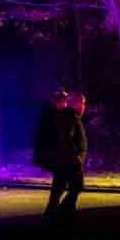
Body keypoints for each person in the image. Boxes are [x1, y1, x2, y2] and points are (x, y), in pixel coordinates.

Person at [34, 89, 86, 220]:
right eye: (82, 103)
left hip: (63, 159)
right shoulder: (70, 116)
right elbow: (67, 137)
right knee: (76, 186)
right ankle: (63, 211)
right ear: (76, 103)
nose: (84, 106)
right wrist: (75, 155)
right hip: (69, 159)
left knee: (59, 186)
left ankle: (54, 212)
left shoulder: (69, 116)